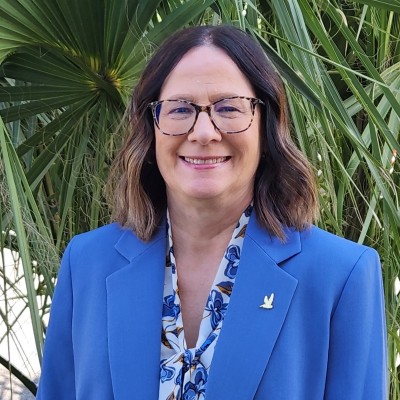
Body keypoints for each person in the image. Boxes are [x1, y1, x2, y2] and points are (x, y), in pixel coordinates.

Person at [36, 25, 387, 400]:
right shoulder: (87, 263)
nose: (203, 132)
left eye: (229, 107)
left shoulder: (341, 276)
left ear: (266, 126)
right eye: (180, 108)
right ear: (151, 126)